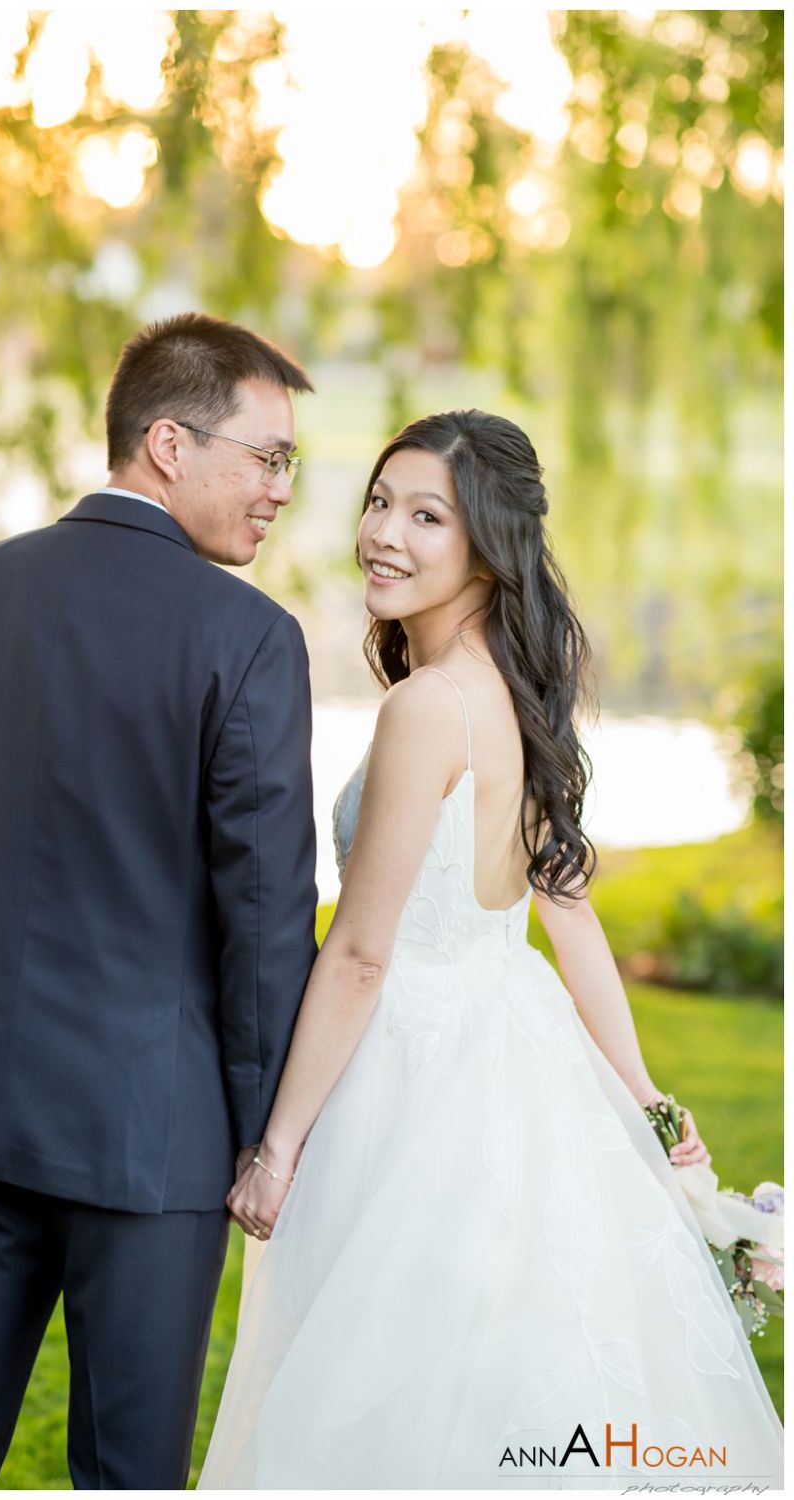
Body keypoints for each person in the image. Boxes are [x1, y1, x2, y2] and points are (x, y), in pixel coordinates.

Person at [200, 410, 784, 1487]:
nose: (384, 532)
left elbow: (361, 955)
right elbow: (566, 915)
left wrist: (275, 1149)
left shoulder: (425, 709)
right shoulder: (513, 692)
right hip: (518, 1039)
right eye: (379, 501)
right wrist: (647, 1106)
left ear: (486, 547)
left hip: (410, 1071)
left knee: (395, 1380)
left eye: (426, 515)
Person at [0, 313, 320, 1488]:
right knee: (127, 1468)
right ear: (167, 443)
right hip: (153, 1137)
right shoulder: (251, 639)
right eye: (266, 457)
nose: (281, 490)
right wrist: (262, 1133)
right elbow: (266, 919)